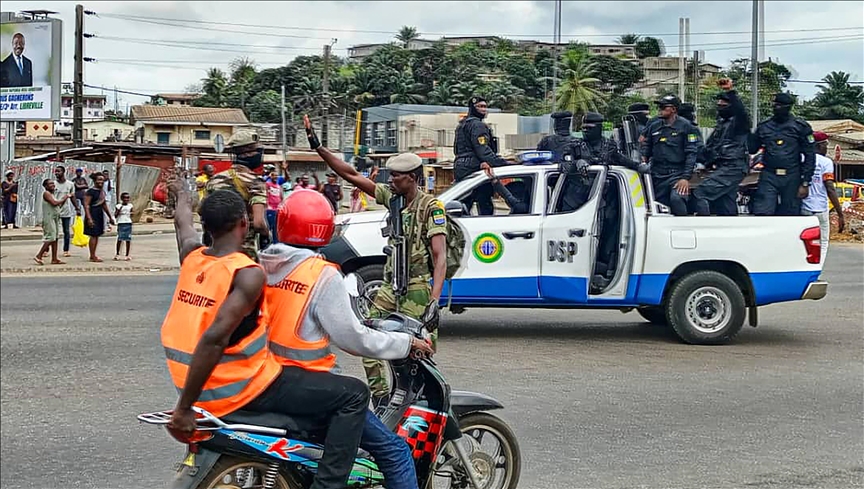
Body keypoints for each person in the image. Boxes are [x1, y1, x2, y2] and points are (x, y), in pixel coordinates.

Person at [163, 178, 368, 489]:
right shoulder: (247, 273)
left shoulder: (192, 257)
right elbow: (214, 338)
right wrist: (183, 411)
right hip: (242, 386)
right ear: (244, 223)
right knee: (354, 394)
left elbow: (182, 224)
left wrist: (181, 195)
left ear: (206, 225)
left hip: (193, 383)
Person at [260, 189, 432, 489]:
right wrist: (406, 343)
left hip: (266, 379)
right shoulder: (321, 275)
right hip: (312, 389)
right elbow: (355, 339)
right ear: (325, 229)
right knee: (396, 451)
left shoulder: (262, 265)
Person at [303, 114, 447, 405]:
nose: (390, 179)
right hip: (389, 287)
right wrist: (318, 147)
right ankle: (382, 398)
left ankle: (421, 402)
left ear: (413, 178)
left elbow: (440, 255)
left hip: (417, 289)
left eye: (397, 176)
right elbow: (351, 174)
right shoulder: (391, 198)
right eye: (390, 175)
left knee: (418, 350)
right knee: (365, 336)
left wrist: (433, 300)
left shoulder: (432, 207)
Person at [204, 129, 270, 260]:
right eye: (256, 150)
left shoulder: (214, 180)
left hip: (214, 254)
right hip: (243, 255)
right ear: (248, 154)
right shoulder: (255, 182)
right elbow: (259, 223)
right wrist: (267, 234)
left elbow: (204, 215)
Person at [691, 78, 752, 216]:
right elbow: (710, 148)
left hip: (733, 167)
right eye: (718, 102)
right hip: (723, 166)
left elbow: (741, 111)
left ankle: (703, 228)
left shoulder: (739, 123)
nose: (719, 104)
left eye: (724, 102)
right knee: (725, 202)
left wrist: (729, 91)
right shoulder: (721, 125)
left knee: (700, 193)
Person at [749, 92, 816, 216]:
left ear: (788, 107)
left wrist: (805, 182)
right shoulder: (764, 126)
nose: (776, 108)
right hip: (769, 175)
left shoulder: (801, 127)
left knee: (790, 214)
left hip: (792, 176)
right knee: (762, 212)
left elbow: (810, 156)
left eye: (779, 105)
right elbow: (752, 149)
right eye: (774, 105)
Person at [641, 94, 701, 216]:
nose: (660, 110)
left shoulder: (687, 127)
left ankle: (683, 228)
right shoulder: (654, 126)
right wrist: (643, 159)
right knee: (659, 206)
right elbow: (647, 148)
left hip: (677, 174)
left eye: (663, 107)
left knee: (677, 199)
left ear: (673, 109)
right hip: (658, 175)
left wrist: (685, 178)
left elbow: (691, 153)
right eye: (659, 107)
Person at [453, 96, 510, 215]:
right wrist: (503, 163)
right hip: (475, 166)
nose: (484, 110)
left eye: (485, 107)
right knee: (484, 202)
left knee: (462, 203)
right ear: (472, 108)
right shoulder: (478, 125)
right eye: (480, 107)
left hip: (460, 166)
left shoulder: (461, 125)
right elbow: (483, 150)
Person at [802, 131, 845, 267]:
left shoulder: (802, 159)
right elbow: (830, 188)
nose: (827, 148)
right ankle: (817, 268)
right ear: (819, 146)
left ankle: (805, 268)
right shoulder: (826, 162)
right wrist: (840, 214)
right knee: (823, 241)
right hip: (820, 209)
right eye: (826, 145)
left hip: (803, 208)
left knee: (804, 242)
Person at [34, 179, 69, 266]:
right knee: (51, 237)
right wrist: (64, 198)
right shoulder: (46, 193)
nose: (53, 185)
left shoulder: (52, 194)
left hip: (55, 218)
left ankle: (54, 258)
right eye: (50, 184)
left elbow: (58, 205)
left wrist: (65, 199)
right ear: (45, 186)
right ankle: (39, 255)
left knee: (56, 238)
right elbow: (54, 203)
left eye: (53, 183)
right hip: (49, 218)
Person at [83, 172, 116, 262]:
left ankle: (93, 254)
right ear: (94, 181)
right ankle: (92, 255)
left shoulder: (102, 192)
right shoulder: (90, 192)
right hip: (92, 214)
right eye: (99, 180)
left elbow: (104, 205)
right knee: (93, 235)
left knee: (97, 235)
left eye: (102, 180)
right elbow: (86, 205)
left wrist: (110, 217)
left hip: (99, 214)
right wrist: (89, 218)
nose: (101, 182)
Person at [53, 166, 81, 257]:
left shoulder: (70, 184)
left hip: (66, 211)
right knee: (53, 232)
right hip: (55, 210)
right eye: (56, 171)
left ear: (63, 172)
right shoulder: (53, 184)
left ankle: (66, 250)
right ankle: (48, 249)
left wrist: (77, 208)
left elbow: (73, 197)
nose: (57, 173)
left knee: (66, 231)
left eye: (59, 171)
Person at [114, 192, 134, 261]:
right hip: (121, 223)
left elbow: (132, 214)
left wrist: (131, 214)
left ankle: (127, 255)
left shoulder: (130, 206)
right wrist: (120, 209)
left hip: (128, 223)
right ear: (121, 199)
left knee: (128, 239)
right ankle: (117, 254)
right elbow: (115, 215)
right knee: (120, 239)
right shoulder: (118, 206)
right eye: (124, 198)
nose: (126, 199)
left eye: (127, 198)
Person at [265, 169, 283, 244]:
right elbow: (265, 194)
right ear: (271, 176)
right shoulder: (268, 184)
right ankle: (266, 243)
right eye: (273, 175)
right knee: (269, 227)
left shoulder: (279, 185)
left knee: (276, 228)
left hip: (277, 209)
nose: (275, 177)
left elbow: (281, 196)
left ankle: (276, 243)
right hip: (270, 209)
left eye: (276, 175)